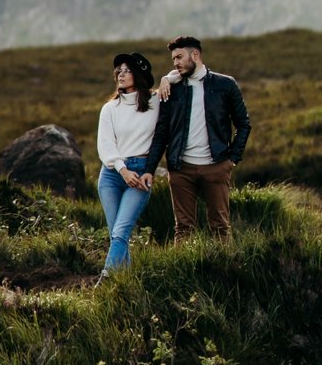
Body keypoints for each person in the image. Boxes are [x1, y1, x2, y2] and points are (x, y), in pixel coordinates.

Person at [140, 36, 251, 242]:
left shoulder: (225, 85)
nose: (176, 63)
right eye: (173, 59)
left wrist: (232, 159)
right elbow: (161, 133)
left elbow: (243, 124)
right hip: (181, 169)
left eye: (180, 57)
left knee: (220, 227)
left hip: (216, 166)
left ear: (196, 55)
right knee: (182, 228)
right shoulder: (171, 89)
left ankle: (223, 272)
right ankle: (183, 273)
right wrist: (149, 169)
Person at [95, 50, 164, 282]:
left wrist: (167, 79)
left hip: (141, 173)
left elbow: (177, 77)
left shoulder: (156, 102)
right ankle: (125, 283)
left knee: (121, 231)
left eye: (127, 71)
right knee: (117, 234)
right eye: (119, 71)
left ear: (139, 75)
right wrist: (122, 169)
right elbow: (105, 145)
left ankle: (107, 277)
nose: (121, 75)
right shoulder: (109, 109)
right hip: (112, 175)